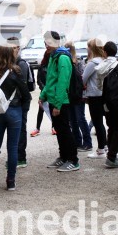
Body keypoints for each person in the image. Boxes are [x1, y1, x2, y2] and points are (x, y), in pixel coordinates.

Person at [0, 46, 32, 191]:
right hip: (14, 110)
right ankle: (10, 181)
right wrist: (23, 108)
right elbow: (26, 94)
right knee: (13, 148)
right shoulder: (15, 71)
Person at [39, 31, 80, 172]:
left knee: (65, 130)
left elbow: (63, 82)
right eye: (45, 43)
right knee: (60, 130)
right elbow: (50, 80)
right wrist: (43, 95)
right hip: (54, 99)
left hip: (61, 101)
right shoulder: (54, 56)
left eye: (48, 43)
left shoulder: (62, 57)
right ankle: (63, 157)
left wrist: (58, 104)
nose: (46, 46)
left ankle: (73, 160)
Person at [101, 41, 118, 169]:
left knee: (111, 127)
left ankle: (111, 154)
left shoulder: (101, 66)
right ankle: (112, 157)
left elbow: (99, 85)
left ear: (105, 52)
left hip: (105, 101)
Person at [8, 36, 33, 168]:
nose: (11, 50)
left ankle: (21, 157)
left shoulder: (21, 64)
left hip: (21, 101)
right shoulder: (9, 62)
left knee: (21, 129)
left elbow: (22, 86)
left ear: (18, 48)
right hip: (13, 102)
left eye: (13, 48)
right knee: (14, 129)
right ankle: (15, 157)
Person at [82, 39, 108, 160]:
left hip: (94, 95)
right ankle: (105, 146)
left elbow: (83, 79)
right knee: (101, 123)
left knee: (97, 123)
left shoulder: (92, 63)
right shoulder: (104, 61)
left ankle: (101, 150)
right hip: (103, 94)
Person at [65, 41, 92, 152]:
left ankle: (87, 143)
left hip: (77, 94)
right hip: (73, 93)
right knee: (74, 119)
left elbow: (82, 78)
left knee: (79, 118)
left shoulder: (78, 61)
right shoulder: (73, 61)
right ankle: (78, 142)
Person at [30, 45, 55, 137]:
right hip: (44, 90)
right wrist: (44, 89)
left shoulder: (53, 66)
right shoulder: (42, 66)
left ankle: (54, 127)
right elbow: (39, 80)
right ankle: (37, 128)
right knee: (41, 110)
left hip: (52, 91)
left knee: (52, 109)